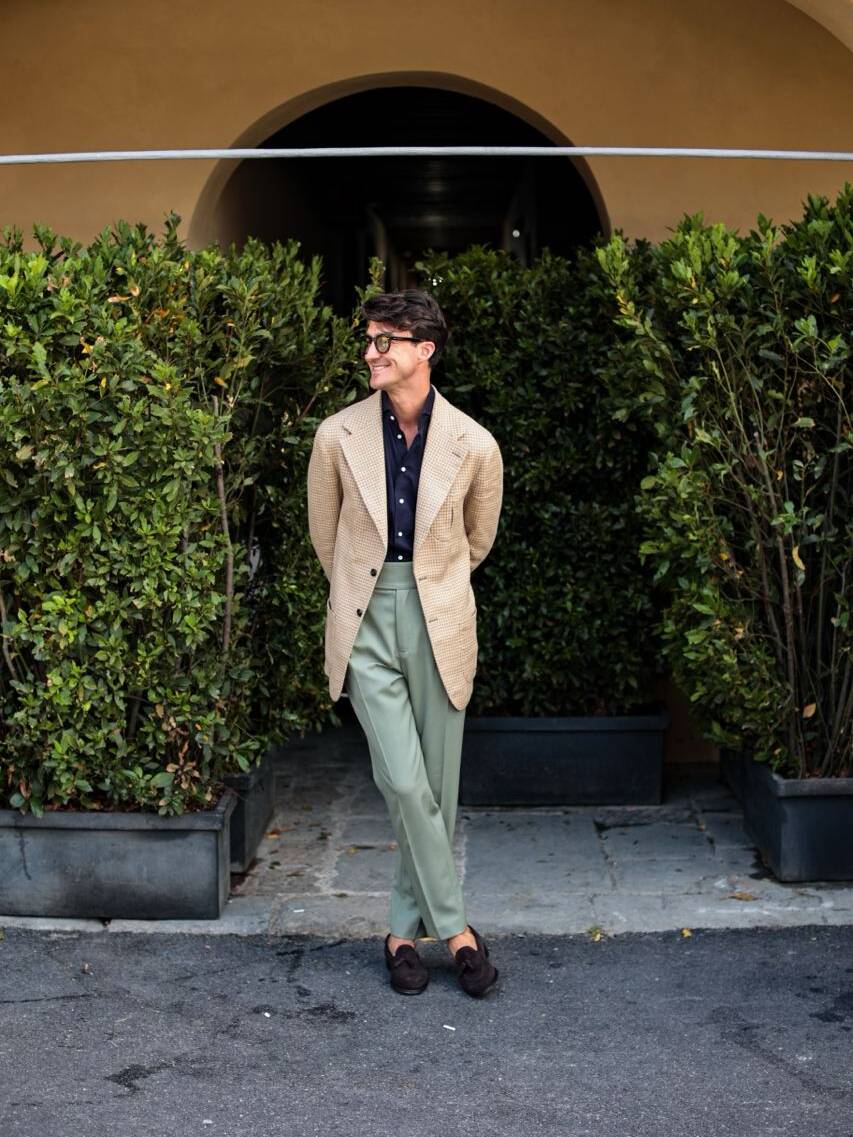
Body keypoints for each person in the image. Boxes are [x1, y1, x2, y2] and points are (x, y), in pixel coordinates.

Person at [306, 289, 503, 997]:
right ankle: (456, 931)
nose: (370, 352)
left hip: (440, 617)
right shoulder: (336, 435)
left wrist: (430, 586)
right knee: (402, 779)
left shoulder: (475, 443)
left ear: (424, 349)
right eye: (369, 339)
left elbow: (475, 540)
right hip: (365, 617)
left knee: (437, 792)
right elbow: (323, 536)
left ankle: (397, 931)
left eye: (384, 340)